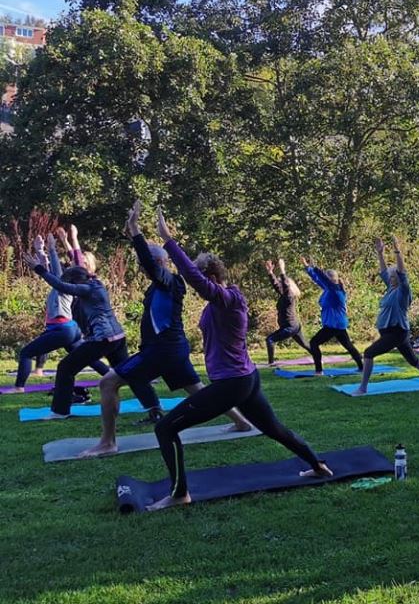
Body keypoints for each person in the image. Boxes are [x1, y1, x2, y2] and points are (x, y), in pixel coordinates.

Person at [147, 208, 332, 511]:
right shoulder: (219, 303)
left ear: (210, 277)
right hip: (244, 378)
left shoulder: (230, 299)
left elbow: (197, 282)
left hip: (232, 383)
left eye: (200, 277)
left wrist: (168, 240)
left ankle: (179, 493)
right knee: (273, 428)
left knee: (165, 429)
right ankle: (318, 465)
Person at [78, 201, 250, 458]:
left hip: (163, 349)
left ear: (159, 262)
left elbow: (149, 263)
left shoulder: (168, 280)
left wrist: (135, 231)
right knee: (196, 388)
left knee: (108, 383)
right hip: (173, 347)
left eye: (143, 263)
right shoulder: (164, 284)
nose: (140, 267)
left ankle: (107, 442)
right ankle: (241, 421)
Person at [23, 238, 128, 419]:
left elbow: (59, 281)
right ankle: (152, 404)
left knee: (65, 368)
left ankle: (59, 411)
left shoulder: (84, 289)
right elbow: (72, 270)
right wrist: (49, 249)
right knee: (126, 371)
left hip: (99, 336)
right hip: (115, 336)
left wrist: (42, 264)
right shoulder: (95, 284)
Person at [12, 234, 108, 392]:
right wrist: (40, 250)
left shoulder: (63, 286)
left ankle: (19, 388)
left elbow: (54, 270)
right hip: (69, 329)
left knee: (26, 353)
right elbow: (48, 271)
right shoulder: (65, 286)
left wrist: (51, 249)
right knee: (86, 356)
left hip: (62, 330)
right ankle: (112, 375)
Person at [354, 237, 419, 396]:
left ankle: (362, 388)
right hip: (392, 332)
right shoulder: (391, 288)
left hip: (397, 332)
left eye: (394, 277)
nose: (391, 278)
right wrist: (380, 254)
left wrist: (397, 251)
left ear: (399, 279)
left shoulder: (403, 291)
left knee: (369, 353)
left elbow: (402, 273)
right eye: (391, 277)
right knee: (412, 359)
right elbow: (383, 272)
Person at [303, 257, 364, 375]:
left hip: (333, 324)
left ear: (331, 280)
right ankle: (362, 367)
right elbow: (318, 280)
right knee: (348, 345)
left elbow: (323, 279)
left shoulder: (335, 291)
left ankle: (319, 371)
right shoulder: (329, 289)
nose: (325, 281)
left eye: (327, 278)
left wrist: (315, 267)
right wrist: (307, 267)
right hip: (337, 324)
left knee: (314, 343)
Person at [265, 259, 310, 365]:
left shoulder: (289, 296)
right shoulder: (284, 295)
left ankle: (270, 363)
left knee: (270, 340)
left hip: (290, 327)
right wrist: (270, 272)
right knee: (305, 344)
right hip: (293, 325)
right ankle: (318, 356)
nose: (280, 284)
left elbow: (284, 285)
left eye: (283, 283)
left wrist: (282, 270)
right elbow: (277, 286)